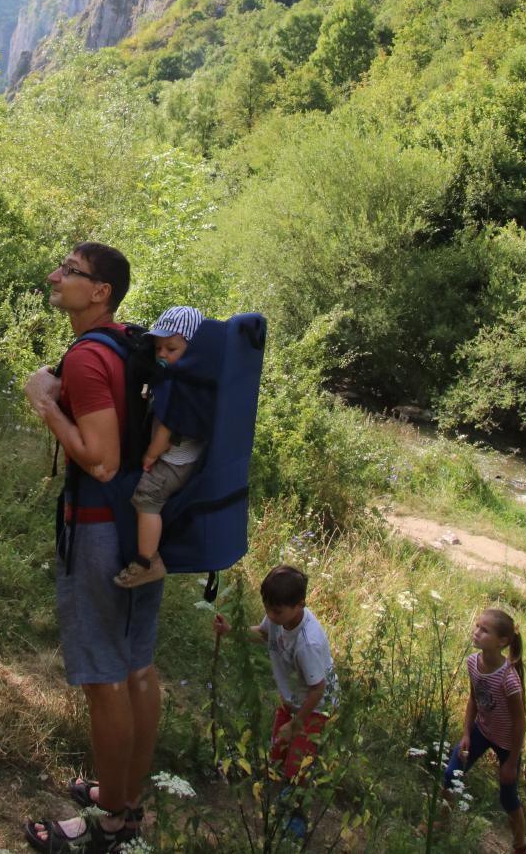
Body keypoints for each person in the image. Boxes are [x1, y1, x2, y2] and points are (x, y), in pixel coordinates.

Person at [23, 243, 163, 853]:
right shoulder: (128, 343)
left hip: (102, 528)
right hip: (144, 528)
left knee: (105, 678)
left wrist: (46, 404)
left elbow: (101, 461)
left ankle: (109, 826)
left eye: (70, 272)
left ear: (99, 291)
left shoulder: (85, 359)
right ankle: (126, 801)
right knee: (136, 665)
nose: (56, 276)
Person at [213, 564, 338, 783]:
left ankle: (294, 808)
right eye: (267, 608)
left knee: (296, 769)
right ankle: (274, 797)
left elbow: (318, 689)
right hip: (291, 701)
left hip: (314, 709)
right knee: (276, 758)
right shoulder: (277, 619)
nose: (270, 615)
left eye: (276, 611)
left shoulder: (308, 644)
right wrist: (231, 631)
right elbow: (262, 634)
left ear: (300, 604)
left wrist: (296, 724)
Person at [114, 304, 205, 590]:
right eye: (158, 349)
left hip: (172, 460)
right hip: (183, 457)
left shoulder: (181, 385)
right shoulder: (192, 380)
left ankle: (148, 561)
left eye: (172, 348)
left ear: (193, 348)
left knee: (146, 499)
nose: (162, 354)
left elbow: (166, 430)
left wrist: (150, 455)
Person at [441, 607, 526, 853]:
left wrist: (511, 762)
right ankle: (442, 824)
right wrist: (467, 733)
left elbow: (520, 723)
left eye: (484, 630)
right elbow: (473, 700)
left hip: (508, 743)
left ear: (503, 641)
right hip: (482, 731)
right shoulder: (473, 663)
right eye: (477, 626)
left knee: (507, 797)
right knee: (451, 774)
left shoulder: (508, 679)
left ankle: (520, 845)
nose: (476, 632)